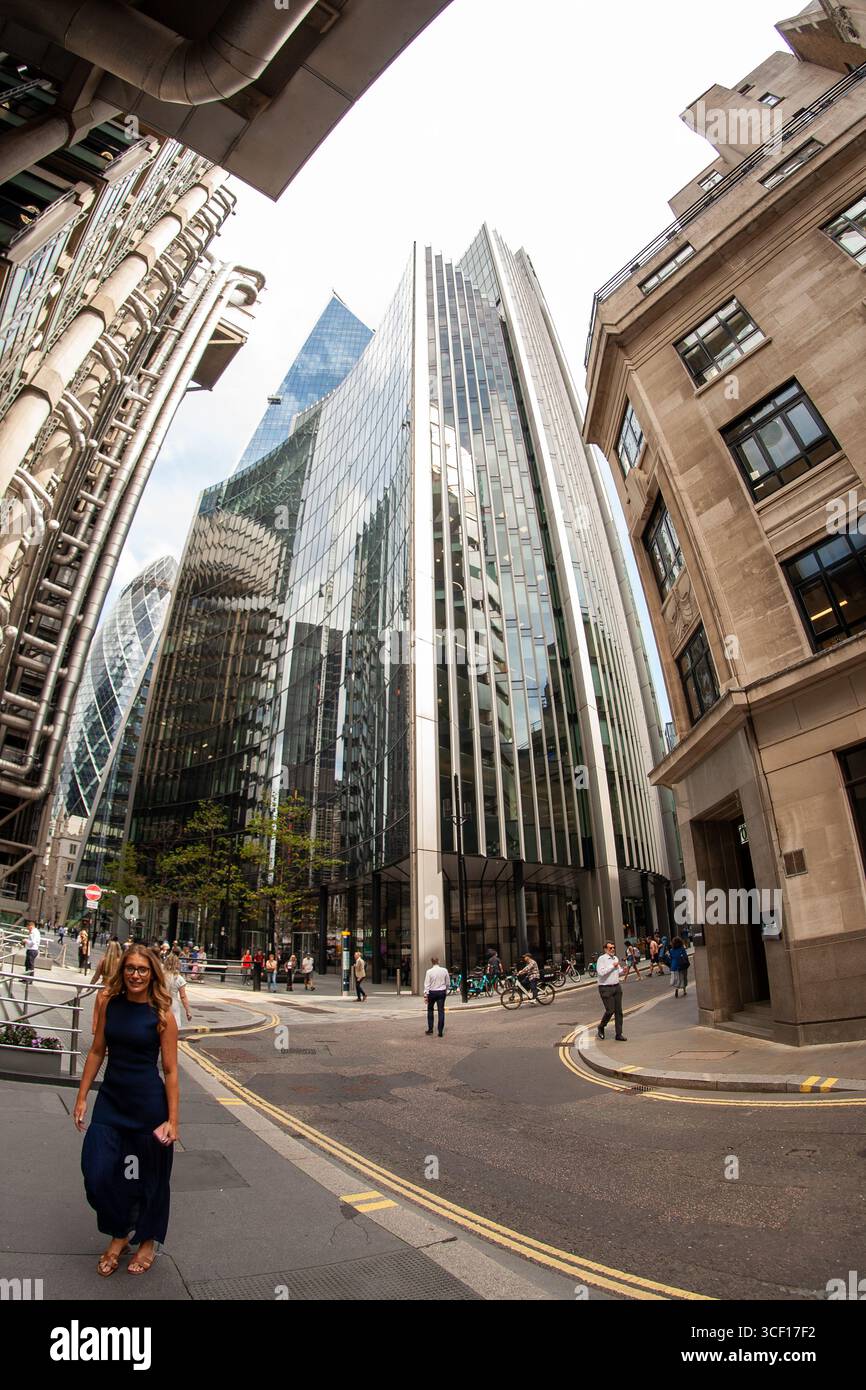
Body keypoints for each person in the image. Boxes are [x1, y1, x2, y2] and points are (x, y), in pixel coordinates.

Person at [74, 946, 178, 1277]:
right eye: (130, 968)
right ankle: (120, 1229)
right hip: (111, 1102)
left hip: (148, 1106)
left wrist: (173, 1120)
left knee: (150, 1178)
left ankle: (145, 1240)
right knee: (97, 1173)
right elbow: (96, 1051)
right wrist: (82, 1096)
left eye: (142, 969)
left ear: (152, 975)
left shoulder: (162, 1014)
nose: (136, 974)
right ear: (122, 971)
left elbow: (171, 1070)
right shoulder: (109, 1003)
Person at [596, 941, 627, 1041]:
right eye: (610, 948)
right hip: (605, 988)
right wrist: (612, 966)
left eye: (614, 947)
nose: (613, 949)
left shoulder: (615, 958)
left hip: (617, 987)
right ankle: (601, 1026)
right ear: (605, 949)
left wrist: (623, 971)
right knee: (610, 1010)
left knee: (619, 1011)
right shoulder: (602, 959)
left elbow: (618, 971)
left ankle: (619, 1034)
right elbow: (601, 973)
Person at [91, 941, 123, 1034]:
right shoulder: (120, 962)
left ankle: (98, 1033)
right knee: (113, 1014)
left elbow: (96, 976)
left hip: (103, 989)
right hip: (115, 990)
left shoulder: (103, 960)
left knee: (99, 1013)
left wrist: (90, 985)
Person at [163, 951, 192, 1028]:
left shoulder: (161, 976)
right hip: (173, 1006)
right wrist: (188, 1011)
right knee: (174, 1028)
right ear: (177, 964)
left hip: (161, 1003)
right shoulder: (179, 979)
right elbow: (183, 997)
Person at [423, 956, 450, 1036]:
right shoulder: (444, 970)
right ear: (438, 961)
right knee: (441, 1011)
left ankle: (430, 1029)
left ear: (432, 962)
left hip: (432, 993)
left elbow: (427, 984)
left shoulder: (429, 972)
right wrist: (446, 990)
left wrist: (425, 995)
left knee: (430, 1010)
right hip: (441, 992)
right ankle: (440, 1031)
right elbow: (447, 983)